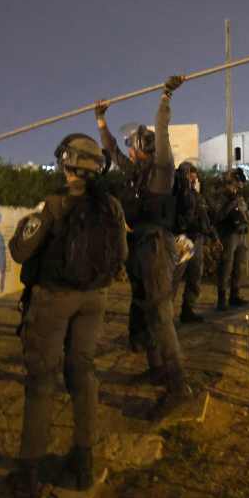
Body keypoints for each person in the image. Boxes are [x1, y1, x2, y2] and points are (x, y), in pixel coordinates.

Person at [7, 133, 127, 498]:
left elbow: (19, 251)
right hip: (95, 300)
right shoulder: (112, 206)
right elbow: (120, 256)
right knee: (84, 373)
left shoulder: (53, 205)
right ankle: (83, 463)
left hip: (53, 300)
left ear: (68, 164)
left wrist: (31, 218)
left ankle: (28, 474)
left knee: (41, 382)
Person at [95, 76, 194, 417]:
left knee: (160, 314)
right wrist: (101, 121)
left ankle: (178, 386)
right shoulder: (135, 172)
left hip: (155, 247)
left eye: (132, 145)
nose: (129, 150)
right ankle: (156, 369)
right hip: (138, 246)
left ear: (142, 146)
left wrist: (165, 97)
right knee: (145, 308)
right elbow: (111, 151)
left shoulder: (161, 171)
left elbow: (162, 132)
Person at [172, 161, 218, 323]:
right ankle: (164, 315)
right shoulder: (177, 193)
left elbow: (205, 215)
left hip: (197, 239)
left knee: (195, 275)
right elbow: (183, 213)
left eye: (195, 178)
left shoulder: (196, 195)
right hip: (183, 239)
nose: (193, 181)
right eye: (191, 178)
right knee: (175, 277)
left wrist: (213, 236)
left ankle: (188, 309)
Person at [214, 168, 249, 311]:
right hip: (228, 235)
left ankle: (235, 295)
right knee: (226, 266)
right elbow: (218, 215)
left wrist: (247, 223)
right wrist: (233, 203)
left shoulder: (239, 196)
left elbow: (245, 211)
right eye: (239, 181)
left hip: (241, 234)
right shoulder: (223, 195)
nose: (241, 184)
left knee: (238, 266)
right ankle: (222, 299)